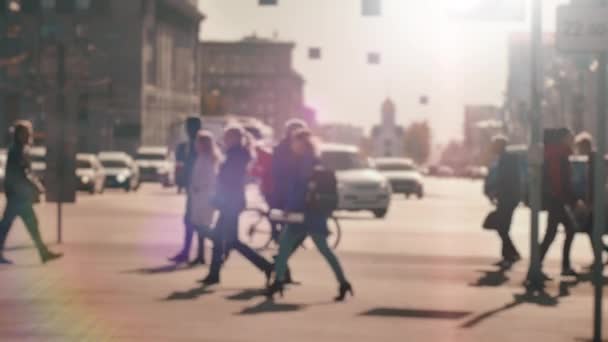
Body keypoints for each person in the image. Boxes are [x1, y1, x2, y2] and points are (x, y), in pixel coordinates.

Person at [267, 129, 353, 301]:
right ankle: (343, 283)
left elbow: (300, 189)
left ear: (301, 143)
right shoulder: (312, 160)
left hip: (305, 214)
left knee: (286, 246)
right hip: (313, 214)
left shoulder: (303, 162)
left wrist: (289, 208)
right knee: (319, 249)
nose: (292, 144)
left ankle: (278, 282)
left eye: (294, 141)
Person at [200, 126, 274, 286]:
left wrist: (219, 186)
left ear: (233, 138)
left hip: (231, 201)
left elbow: (229, 178)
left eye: (227, 137)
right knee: (218, 237)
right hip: (231, 200)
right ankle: (214, 274)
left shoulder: (237, 154)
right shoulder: (236, 153)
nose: (224, 140)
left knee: (231, 240)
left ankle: (266, 266)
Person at [0, 121, 62, 264]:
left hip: (19, 195)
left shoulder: (19, 149)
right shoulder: (17, 150)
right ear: (20, 134)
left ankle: (43, 252)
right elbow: (22, 173)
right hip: (17, 196)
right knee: (7, 225)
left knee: (27, 224)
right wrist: (36, 186)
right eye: (26, 132)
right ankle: (43, 253)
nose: (29, 135)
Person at [540, 128, 584, 277]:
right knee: (559, 232)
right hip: (557, 199)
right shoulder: (558, 153)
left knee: (558, 232)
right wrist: (572, 200)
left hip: (556, 199)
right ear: (563, 138)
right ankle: (559, 266)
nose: (572, 139)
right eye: (570, 137)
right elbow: (559, 180)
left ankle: (542, 265)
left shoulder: (557, 152)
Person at [170, 117, 206, 265]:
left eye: (190, 127)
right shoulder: (185, 146)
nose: (188, 130)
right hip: (192, 189)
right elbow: (182, 165)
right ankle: (192, 252)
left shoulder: (202, 145)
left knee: (197, 222)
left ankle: (198, 253)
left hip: (200, 191)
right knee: (190, 221)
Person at [485, 135, 521, 267]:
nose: (492, 148)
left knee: (502, 227)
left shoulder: (507, 159)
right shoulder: (505, 159)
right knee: (503, 227)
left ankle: (510, 255)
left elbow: (506, 180)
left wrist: (495, 191)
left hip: (508, 198)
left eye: (494, 145)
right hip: (507, 197)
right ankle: (509, 255)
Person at [188, 131, 221, 243]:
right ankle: (201, 254)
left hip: (204, 197)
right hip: (200, 196)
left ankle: (218, 242)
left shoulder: (207, 159)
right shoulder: (202, 157)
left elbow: (209, 179)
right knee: (199, 226)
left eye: (198, 142)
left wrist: (198, 187)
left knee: (202, 226)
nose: (196, 144)